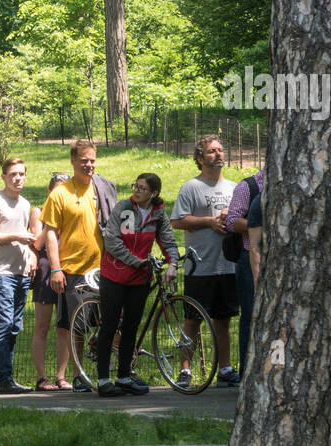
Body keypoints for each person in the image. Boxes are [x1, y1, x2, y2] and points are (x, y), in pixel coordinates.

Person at [39, 140, 118, 391]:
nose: (89, 165)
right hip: (72, 271)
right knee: (76, 327)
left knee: (109, 323)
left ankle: (108, 374)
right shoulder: (60, 193)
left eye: (92, 160)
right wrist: (55, 268)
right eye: (84, 160)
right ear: (73, 161)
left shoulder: (102, 188)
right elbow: (50, 233)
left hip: (103, 268)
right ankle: (79, 376)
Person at [95, 174, 180, 396]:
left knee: (131, 327)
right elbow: (112, 240)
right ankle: (103, 379)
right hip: (114, 275)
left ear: (154, 193)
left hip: (140, 278)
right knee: (110, 324)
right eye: (136, 186)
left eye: (142, 188)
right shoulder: (125, 208)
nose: (137, 190)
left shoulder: (158, 213)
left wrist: (173, 265)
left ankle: (124, 376)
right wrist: (136, 261)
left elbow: (168, 240)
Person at [170, 135, 240, 389]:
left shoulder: (234, 188)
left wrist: (229, 218)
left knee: (223, 319)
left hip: (228, 265)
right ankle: (185, 370)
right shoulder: (191, 187)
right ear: (200, 159)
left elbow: (242, 220)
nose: (218, 154)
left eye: (220, 150)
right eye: (212, 151)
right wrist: (210, 221)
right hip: (200, 266)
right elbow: (177, 221)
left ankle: (225, 368)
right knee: (193, 319)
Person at [0, 158, 37, 393]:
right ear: (3, 176)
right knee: (3, 324)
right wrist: (14, 236)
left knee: (14, 326)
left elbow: (25, 236)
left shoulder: (25, 204)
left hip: (21, 272)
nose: (18, 178)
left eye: (21, 174)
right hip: (1, 273)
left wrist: (30, 253)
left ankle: (7, 377)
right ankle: (3, 380)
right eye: (13, 174)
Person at [30, 172, 70, 390]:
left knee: (64, 326)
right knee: (42, 326)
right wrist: (50, 221)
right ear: (49, 191)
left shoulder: (72, 209)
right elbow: (36, 244)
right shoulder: (38, 211)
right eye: (57, 190)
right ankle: (41, 377)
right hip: (46, 269)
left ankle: (61, 376)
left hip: (68, 268)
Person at [226, 167, 264, 372]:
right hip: (249, 258)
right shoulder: (248, 186)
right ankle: (247, 373)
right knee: (250, 316)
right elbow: (232, 221)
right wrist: (257, 224)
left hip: (279, 261)